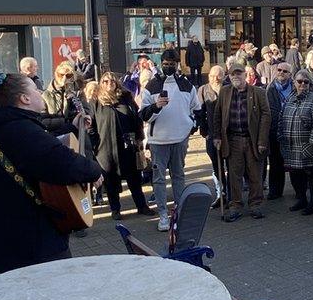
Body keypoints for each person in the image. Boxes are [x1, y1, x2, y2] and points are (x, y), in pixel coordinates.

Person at [0, 72, 103, 275]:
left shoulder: (4, 123)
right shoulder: (17, 127)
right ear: (24, 99)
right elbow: (60, 162)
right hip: (29, 243)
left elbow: (39, 149)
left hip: (9, 237)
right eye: (34, 89)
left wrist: (71, 127)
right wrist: (94, 171)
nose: (40, 92)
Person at [139, 56, 202, 231]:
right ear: (161, 64)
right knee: (159, 179)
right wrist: (156, 106)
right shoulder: (152, 85)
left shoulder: (187, 85)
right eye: (165, 64)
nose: (168, 67)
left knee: (179, 176)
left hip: (180, 138)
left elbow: (197, 109)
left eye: (171, 64)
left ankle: (179, 212)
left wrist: (191, 127)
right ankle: (162, 215)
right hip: (158, 140)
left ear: (177, 65)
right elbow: (143, 114)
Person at [91, 71, 153, 219]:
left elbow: (137, 119)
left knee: (134, 178)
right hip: (105, 147)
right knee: (110, 179)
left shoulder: (126, 97)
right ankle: (115, 209)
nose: (109, 84)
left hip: (127, 145)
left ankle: (141, 205)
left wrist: (139, 138)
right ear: (101, 83)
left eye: (112, 81)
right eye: (105, 81)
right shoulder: (96, 101)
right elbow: (91, 125)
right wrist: (94, 144)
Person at [213, 63, 271, 221]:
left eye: (238, 74)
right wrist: (217, 136)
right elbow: (217, 115)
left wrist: (262, 140)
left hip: (252, 140)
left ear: (245, 75)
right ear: (229, 77)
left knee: (255, 174)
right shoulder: (224, 92)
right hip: (232, 140)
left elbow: (266, 115)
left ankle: (256, 204)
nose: (235, 77)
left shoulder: (258, 92)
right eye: (232, 74)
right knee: (234, 175)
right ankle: (235, 205)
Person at [279, 68, 313, 214]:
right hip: (291, 145)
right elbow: (281, 118)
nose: (302, 84)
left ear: (310, 84)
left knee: (311, 174)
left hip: (307, 145)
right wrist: (280, 136)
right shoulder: (289, 99)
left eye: (306, 82)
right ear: (294, 83)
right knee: (295, 174)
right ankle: (302, 199)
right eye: (299, 81)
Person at [266, 62, 295, 200]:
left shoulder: (295, 87)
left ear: (290, 74)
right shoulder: (269, 89)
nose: (281, 73)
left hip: (293, 129)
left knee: (295, 162)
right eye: (279, 70)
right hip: (275, 130)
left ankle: (299, 190)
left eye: (285, 71)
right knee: (275, 161)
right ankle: (275, 191)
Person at [198, 65, 225, 184]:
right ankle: (221, 190)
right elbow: (199, 113)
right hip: (211, 133)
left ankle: (232, 193)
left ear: (223, 77)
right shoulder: (203, 90)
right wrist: (205, 133)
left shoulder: (227, 89)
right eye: (212, 76)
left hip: (227, 133)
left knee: (231, 164)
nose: (215, 79)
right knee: (216, 164)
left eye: (218, 76)